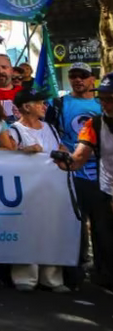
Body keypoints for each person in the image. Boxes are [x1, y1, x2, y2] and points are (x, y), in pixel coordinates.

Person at [45, 62, 112, 287]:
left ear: (91, 78)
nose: (106, 103)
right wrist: (66, 163)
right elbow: (79, 156)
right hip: (92, 180)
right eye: (103, 98)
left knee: (105, 231)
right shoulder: (93, 124)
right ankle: (84, 272)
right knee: (80, 224)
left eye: (110, 98)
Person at [6, 89, 68, 292]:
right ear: (26, 107)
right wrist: (23, 152)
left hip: (52, 190)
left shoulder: (50, 128)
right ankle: (25, 276)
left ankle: (52, 278)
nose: (44, 106)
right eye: (40, 102)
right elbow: (5, 159)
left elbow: (60, 148)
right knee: (27, 231)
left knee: (52, 231)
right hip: (27, 191)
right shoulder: (14, 130)